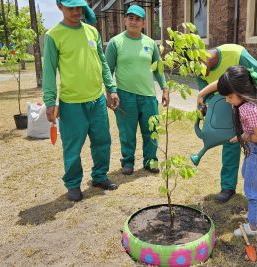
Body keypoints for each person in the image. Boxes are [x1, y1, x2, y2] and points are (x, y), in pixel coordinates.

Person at [43, 0, 120, 201]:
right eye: (71, 7)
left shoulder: (92, 32)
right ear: (60, 7)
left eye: (79, 7)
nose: (77, 11)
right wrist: (50, 101)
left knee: (103, 141)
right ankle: (73, 184)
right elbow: (49, 71)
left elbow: (102, 62)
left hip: (97, 101)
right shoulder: (53, 36)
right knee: (72, 147)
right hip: (71, 104)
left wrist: (111, 88)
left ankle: (100, 176)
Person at [196, 44, 257, 205]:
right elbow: (208, 95)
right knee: (230, 143)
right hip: (232, 106)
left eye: (197, 66)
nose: (197, 73)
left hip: (255, 106)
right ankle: (228, 187)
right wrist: (206, 104)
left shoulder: (235, 52)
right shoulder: (198, 69)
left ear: (203, 55)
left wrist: (250, 99)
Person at [105, 5, 169, 175]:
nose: (133, 21)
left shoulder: (150, 43)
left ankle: (150, 160)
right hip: (125, 95)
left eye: (137, 19)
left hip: (148, 96)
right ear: (125, 20)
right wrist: (109, 92)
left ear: (144, 23)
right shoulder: (115, 42)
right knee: (127, 132)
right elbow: (107, 70)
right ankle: (127, 162)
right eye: (130, 18)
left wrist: (165, 88)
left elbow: (158, 69)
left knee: (151, 130)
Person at [215, 65, 257, 236]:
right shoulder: (254, 99)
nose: (227, 100)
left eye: (229, 97)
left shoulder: (247, 109)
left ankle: (254, 227)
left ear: (242, 91)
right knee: (251, 176)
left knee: (252, 189)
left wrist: (242, 137)